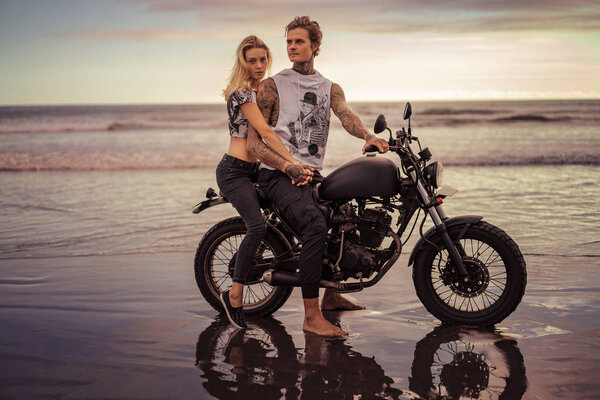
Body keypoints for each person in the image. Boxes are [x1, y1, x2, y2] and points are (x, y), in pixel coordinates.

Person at [247, 16, 389, 336]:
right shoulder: (272, 86)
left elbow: (346, 115)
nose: (292, 47)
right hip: (277, 174)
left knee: (344, 214)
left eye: (299, 41)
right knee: (314, 225)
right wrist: (288, 167)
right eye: (289, 42)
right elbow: (256, 143)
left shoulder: (329, 88)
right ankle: (311, 318)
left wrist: (367, 135)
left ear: (315, 46)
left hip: (309, 174)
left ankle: (331, 296)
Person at [217, 35, 313, 330]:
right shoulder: (243, 94)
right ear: (242, 62)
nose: (258, 65)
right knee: (257, 226)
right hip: (234, 172)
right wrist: (292, 163)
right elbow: (267, 135)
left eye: (262, 60)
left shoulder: (264, 91)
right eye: (252, 60)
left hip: (255, 172)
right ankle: (233, 295)